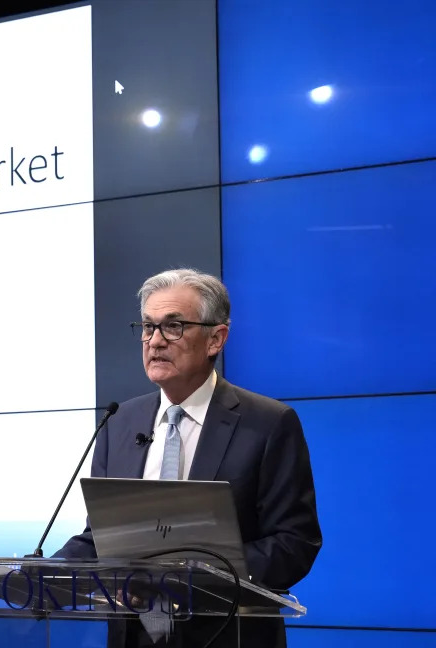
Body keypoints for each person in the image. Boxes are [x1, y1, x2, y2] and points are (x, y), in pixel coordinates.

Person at [55, 268, 322, 648]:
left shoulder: (268, 423)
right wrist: (44, 573)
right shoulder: (118, 422)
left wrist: (187, 580)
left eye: (173, 326)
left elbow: (294, 543)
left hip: (229, 637)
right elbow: (100, 537)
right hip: (135, 637)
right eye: (147, 327)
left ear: (216, 338)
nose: (155, 341)